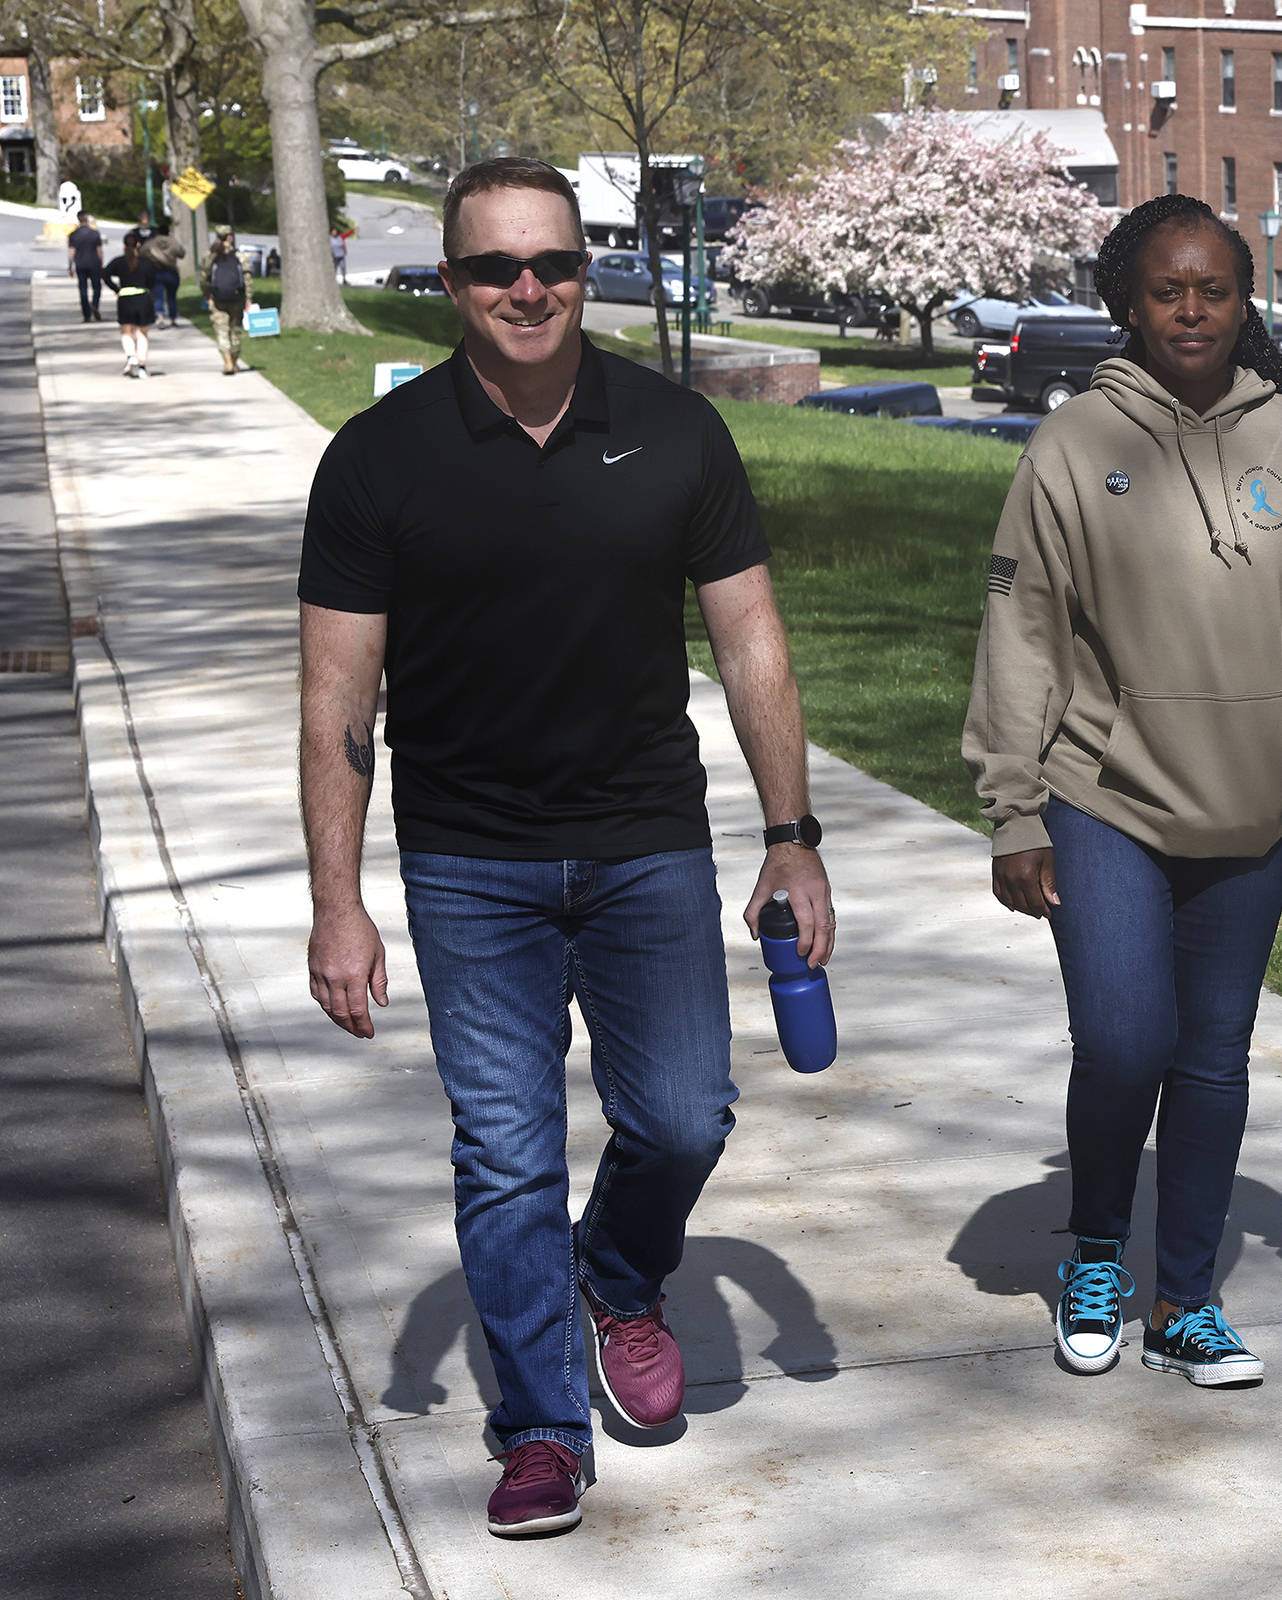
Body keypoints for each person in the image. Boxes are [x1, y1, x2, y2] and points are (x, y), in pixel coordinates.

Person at [298, 156, 835, 1539]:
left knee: (683, 1114)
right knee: (506, 1154)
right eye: (493, 269)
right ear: (454, 284)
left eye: (553, 264)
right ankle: (537, 1425)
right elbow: (336, 697)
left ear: (586, 270)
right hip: (469, 860)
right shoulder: (379, 459)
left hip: (645, 838)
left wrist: (792, 837)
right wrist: (336, 904)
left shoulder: (674, 433)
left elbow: (752, 639)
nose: (527, 290)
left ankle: (619, 1270)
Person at [963, 193, 1282, 1388]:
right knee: (1122, 1040)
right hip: (1102, 796)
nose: (1193, 310)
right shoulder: (1074, 444)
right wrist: (1012, 805)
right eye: (1168, 290)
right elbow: (1025, 632)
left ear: (1243, 298)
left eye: (1215, 289)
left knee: (1212, 1058)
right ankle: (1097, 1247)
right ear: (1130, 303)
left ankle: (1187, 1300)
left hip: (1251, 806)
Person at [100, 231, 158, 378]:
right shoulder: (146, 262)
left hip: (125, 298)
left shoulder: (119, 262)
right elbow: (153, 280)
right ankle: (142, 366)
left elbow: (105, 275)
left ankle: (131, 358)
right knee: (142, 334)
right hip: (143, 298)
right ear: (139, 245)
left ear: (124, 245)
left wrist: (116, 290)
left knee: (127, 332)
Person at [203, 226, 252, 376]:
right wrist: (248, 297)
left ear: (217, 236)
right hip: (237, 298)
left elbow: (204, 277)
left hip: (218, 298)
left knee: (222, 331)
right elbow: (247, 279)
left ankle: (228, 363)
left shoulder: (210, 255)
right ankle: (235, 361)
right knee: (235, 330)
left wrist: (207, 293)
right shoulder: (239, 256)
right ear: (230, 237)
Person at [143, 224, 188, 326]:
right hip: (171, 271)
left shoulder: (151, 242)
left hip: (156, 271)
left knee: (158, 296)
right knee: (171, 297)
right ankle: (172, 318)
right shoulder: (173, 241)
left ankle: (160, 317)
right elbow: (181, 253)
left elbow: (141, 252)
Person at [67, 211, 105, 323]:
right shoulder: (95, 233)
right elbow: (99, 250)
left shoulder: (74, 234)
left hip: (80, 264)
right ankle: (95, 305)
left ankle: (86, 315)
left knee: (83, 289)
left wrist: (70, 266)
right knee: (97, 287)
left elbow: (71, 251)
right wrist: (101, 262)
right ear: (87, 219)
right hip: (94, 263)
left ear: (78, 220)